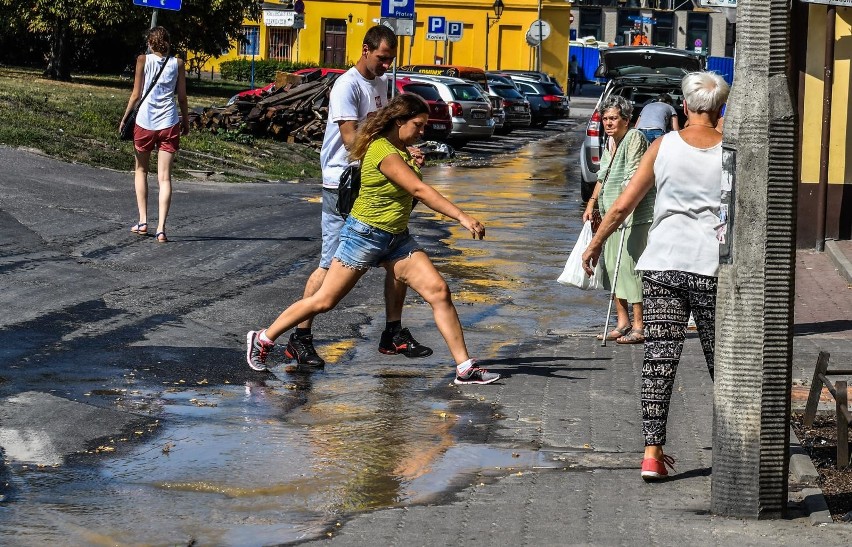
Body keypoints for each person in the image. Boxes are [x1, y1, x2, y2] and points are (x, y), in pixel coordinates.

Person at [246, 94, 500, 386]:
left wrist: (413, 159)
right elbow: (418, 191)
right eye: (417, 125)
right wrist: (462, 217)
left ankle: (465, 368)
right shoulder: (383, 150)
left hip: (396, 239)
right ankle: (263, 339)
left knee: (439, 291)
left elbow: (405, 190)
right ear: (399, 121)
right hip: (364, 236)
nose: (422, 132)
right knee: (324, 300)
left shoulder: (399, 148)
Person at [581, 71, 730, 480]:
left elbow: (623, 205)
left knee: (658, 362)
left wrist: (595, 245)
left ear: (684, 107)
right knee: (723, 364)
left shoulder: (663, 146)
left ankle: (651, 454)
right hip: (711, 267)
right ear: (719, 110)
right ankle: (734, 450)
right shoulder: (730, 152)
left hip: (661, 264)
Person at [282, 25, 431, 370]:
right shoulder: (346, 86)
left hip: (371, 182)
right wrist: (395, 160)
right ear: (365, 50)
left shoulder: (380, 83)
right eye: (382, 58)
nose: (386, 65)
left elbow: (386, 136)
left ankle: (392, 332)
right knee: (329, 264)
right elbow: (352, 140)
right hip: (342, 184)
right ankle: (299, 338)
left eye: (391, 60)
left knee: (398, 255)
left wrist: (409, 150)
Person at [582, 95, 653, 344]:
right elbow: (602, 177)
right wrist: (591, 204)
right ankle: (622, 322)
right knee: (612, 268)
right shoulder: (610, 143)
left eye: (613, 118)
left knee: (629, 269)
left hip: (632, 215)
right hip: (610, 217)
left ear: (626, 120)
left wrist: (621, 206)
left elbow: (633, 175)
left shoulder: (634, 138)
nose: (608, 123)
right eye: (605, 119)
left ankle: (639, 326)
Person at [120, 26, 189, 243]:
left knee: (141, 170)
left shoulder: (142, 60)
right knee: (165, 178)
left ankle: (142, 221)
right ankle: (161, 229)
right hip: (169, 123)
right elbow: (183, 98)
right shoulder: (177, 64)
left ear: (150, 43)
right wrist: (185, 121)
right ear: (168, 42)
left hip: (145, 123)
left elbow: (135, 94)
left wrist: (124, 118)